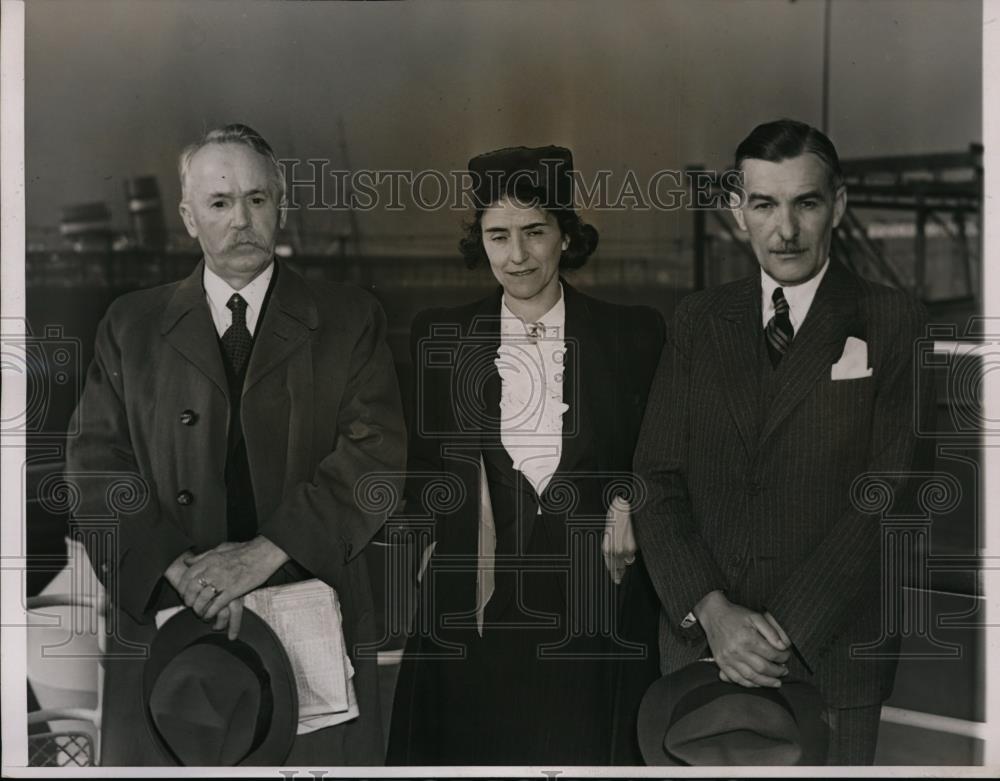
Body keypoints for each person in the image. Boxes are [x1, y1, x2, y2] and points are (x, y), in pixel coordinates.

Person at [64, 123, 406, 765]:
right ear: (189, 218)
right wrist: (179, 569)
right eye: (220, 204)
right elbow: (94, 471)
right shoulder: (131, 325)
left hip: (309, 610)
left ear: (282, 204)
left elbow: (375, 460)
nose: (241, 219)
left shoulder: (348, 317)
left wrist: (259, 556)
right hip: (168, 615)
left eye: (257, 199)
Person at [633, 119, 933, 765]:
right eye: (764, 204)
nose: (786, 229)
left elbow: (888, 490)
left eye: (807, 202)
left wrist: (775, 634)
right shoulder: (698, 320)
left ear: (839, 206)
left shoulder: (893, 319)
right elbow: (655, 479)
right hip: (701, 654)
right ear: (737, 212)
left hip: (832, 659)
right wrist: (711, 611)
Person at [387, 145, 664, 765]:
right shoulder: (442, 334)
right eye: (498, 235)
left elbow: (659, 459)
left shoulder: (633, 334)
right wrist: (431, 539)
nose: (516, 256)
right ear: (479, 241)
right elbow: (423, 468)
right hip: (474, 618)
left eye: (535, 232)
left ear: (566, 234)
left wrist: (627, 501)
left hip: (594, 614)